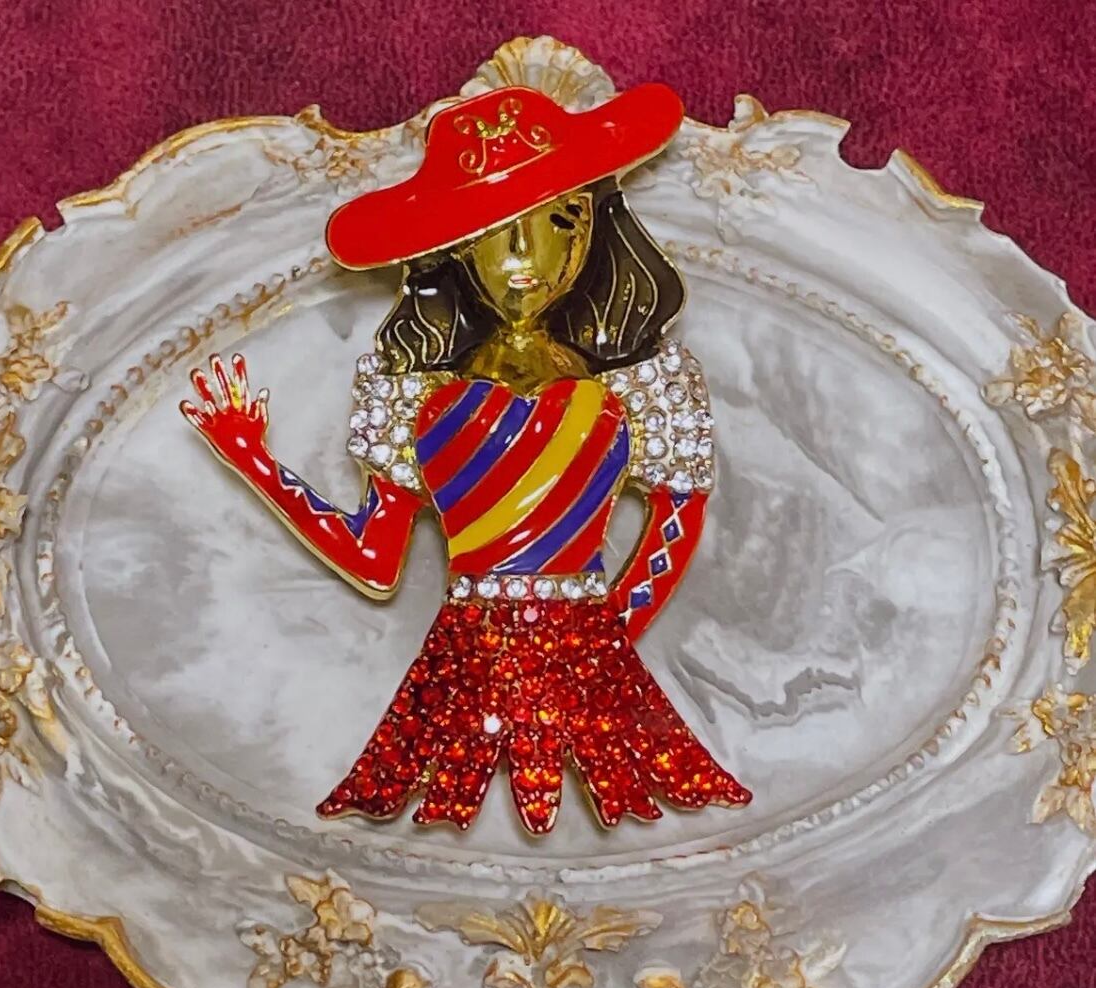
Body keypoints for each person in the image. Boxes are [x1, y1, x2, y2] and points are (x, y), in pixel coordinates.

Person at [181, 83, 751, 835]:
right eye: (495, 230)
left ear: (593, 225)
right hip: (467, 665)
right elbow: (373, 557)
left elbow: (673, 530)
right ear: (453, 248)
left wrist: (592, 654)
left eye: (559, 219)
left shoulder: (645, 385)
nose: (526, 258)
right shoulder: (411, 392)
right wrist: (252, 458)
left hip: (569, 657)